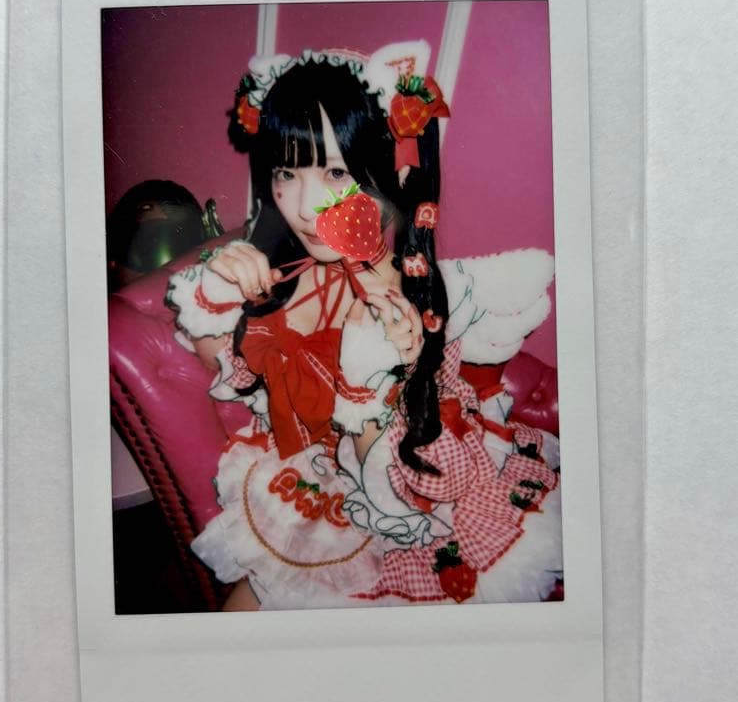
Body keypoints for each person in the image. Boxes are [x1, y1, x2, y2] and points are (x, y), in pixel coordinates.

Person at [166, 44, 562, 611]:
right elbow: (230, 371)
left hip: (406, 509)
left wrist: (369, 380)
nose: (305, 207)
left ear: (391, 175)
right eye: (286, 173)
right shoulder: (287, 274)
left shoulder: (421, 306)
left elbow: (418, 493)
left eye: (334, 172)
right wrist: (219, 287)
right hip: (308, 484)